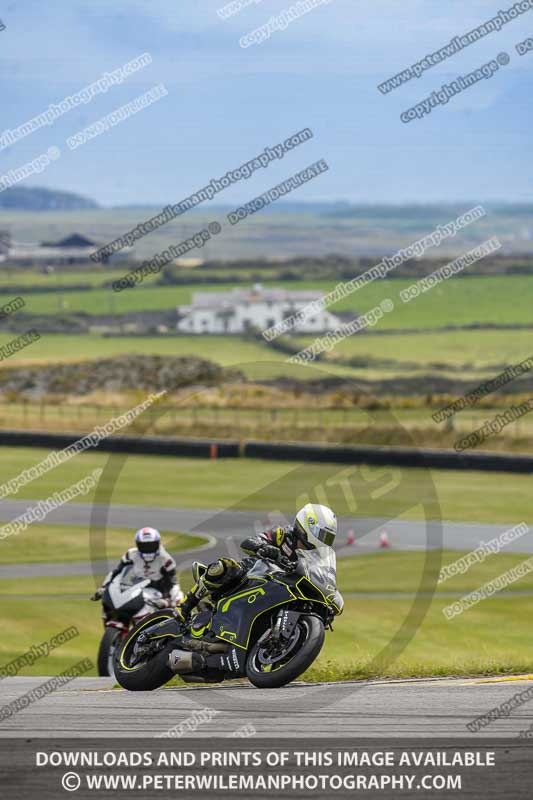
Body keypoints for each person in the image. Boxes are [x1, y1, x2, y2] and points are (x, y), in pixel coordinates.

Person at [177, 504, 337, 642]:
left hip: (277, 590)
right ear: (307, 526)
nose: (324, 541)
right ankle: (186, 605)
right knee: (224, 566)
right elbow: (248, 542)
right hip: (250, 575)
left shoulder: (316, 558)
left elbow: (323, 576)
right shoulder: (282, 535)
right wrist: (263, 547)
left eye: (328, 538)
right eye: (322, 535)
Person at [91, 527, 179, 605]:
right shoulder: (131, 554)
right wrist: (104, 588)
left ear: (157, 544)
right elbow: (117, 572)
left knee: (179, 599)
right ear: (138, 545)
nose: (148, 548)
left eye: (151, 545)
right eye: (144, 546)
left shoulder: (166, 559)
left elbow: (172, 581)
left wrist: (167, 600)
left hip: (158, 592)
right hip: (135, 589)